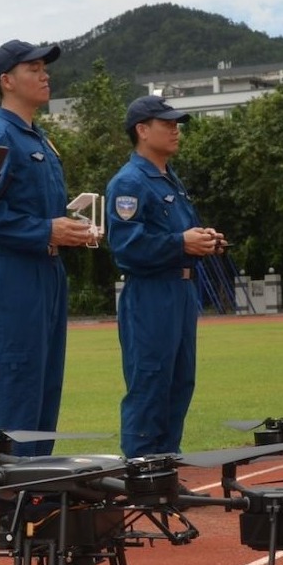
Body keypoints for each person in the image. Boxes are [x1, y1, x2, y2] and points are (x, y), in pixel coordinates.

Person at [0, 41, 96, 548]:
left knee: (44, 388)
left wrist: (64, 228)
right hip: (12, 273)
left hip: (45, 270)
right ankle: (10, 511)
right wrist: (46, 229)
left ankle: (38, 502)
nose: (44, 76)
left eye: (45, 68)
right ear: (7, 79)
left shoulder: (36, 137)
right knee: (15, 385)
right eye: (33, 68)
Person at [105, 94, 225, 458]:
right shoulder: (130, 183)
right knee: (151, 383)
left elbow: (179, 235)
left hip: (181, 289)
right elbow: (126, 246)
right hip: (151, 294)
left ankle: (167, 469)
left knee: (178, 382)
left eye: (176, 124)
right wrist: (181, 243)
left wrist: (205, 241)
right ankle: (142, 473)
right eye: (167, 124)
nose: (175, 130)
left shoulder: (168, 179)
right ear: (142, 130)